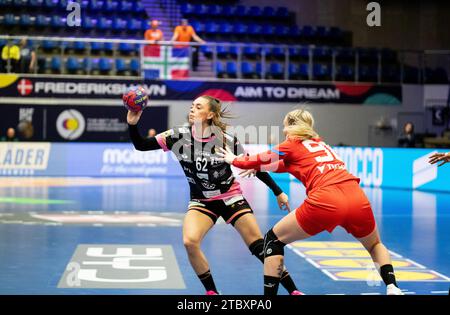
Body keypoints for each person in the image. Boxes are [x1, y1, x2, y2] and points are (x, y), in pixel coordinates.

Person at [127, 95, 302, 295]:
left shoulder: (225, 139)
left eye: (198, 107)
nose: (192, 109)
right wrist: (133, 124)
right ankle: (212, 292)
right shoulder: (176, 136)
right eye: (192, 105)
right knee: (189, 241)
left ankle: (294, 291)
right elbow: (141, 145)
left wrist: (278, 191)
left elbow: (254, 166)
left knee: (259, 247)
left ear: (210, 114)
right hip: (202, 201)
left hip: (230, 197)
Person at [217, 109, 404, 295]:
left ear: (293, 125)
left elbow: (260, 158)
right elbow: (286, 165)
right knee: (374, 245)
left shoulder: (291, 143)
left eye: (285, 127)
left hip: (326, 199)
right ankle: (392, 287)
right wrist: (259, 165)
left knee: (273, 240)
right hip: (356, 197)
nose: (284, 132)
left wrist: (235, 160)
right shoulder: (321, 145)